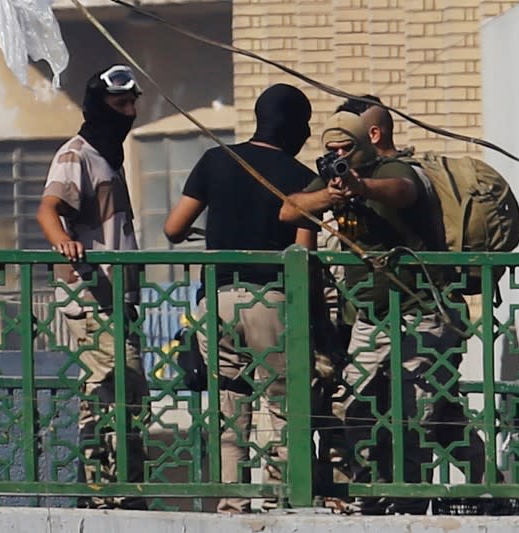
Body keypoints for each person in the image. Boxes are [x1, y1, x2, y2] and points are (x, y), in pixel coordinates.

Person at [281, 111, 486, 515]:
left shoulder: (391, 167)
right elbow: (289, 211)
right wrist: (330, 195)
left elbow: (402, 190)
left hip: (422, 309)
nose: (339, 157)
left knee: (419, 413)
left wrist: (363, 187)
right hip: (372, 316)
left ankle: (416, 497)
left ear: (364, 145)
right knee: (359, 404)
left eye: (346, 149)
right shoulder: (332, 177)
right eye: (332, 151)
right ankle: (371, 491)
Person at [163, 83, 318, 514]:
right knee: (285, 404)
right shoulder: (302, 177)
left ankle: (232, 502)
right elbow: (302, 253)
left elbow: (174, 229)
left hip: (217, 300)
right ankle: (282, 501)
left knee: (229, 405)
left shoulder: (215, 159)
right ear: (296, 127)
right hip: (272, 300)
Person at [36, 65, 148, 510]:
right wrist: (63, 241)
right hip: (92, 298)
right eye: (120, 105)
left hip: (118, 298)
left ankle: (118, 490)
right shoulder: (77, 154)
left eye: (132, 103)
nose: (130, 112)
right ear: (99, 107)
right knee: (115, 390)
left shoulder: (109, 155)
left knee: (125, 393)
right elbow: (49, 208)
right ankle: (109, 494)